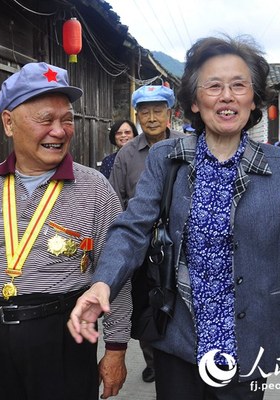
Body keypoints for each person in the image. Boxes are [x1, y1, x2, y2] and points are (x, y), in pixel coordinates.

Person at [68, 36, 280, 400]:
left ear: (253, 98)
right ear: (195, 102)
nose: (227, 96)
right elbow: (132, 227)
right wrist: (104, 281)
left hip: (249, 345)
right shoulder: (167, 158)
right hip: (179, 340)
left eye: (238, 85)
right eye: (213, 86)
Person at [0, 62, 131, 400]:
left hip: (64, 336)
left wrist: (116, 348)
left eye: (67, 119)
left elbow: (116, 271)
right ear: (8, 122)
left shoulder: (95, 189)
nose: (59, 131)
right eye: (46, 120)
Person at [109, 84, 177, 383]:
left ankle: (180, 357)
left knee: (181, 303)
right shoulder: (127, 154)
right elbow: (115, 201)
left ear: (168, 114)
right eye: (145, 112)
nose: (151, 118)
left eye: (157, 111)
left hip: (180, 244)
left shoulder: (187, 146)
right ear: (137, 116)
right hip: (143, 245)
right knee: (147, 305)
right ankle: (154, 361)